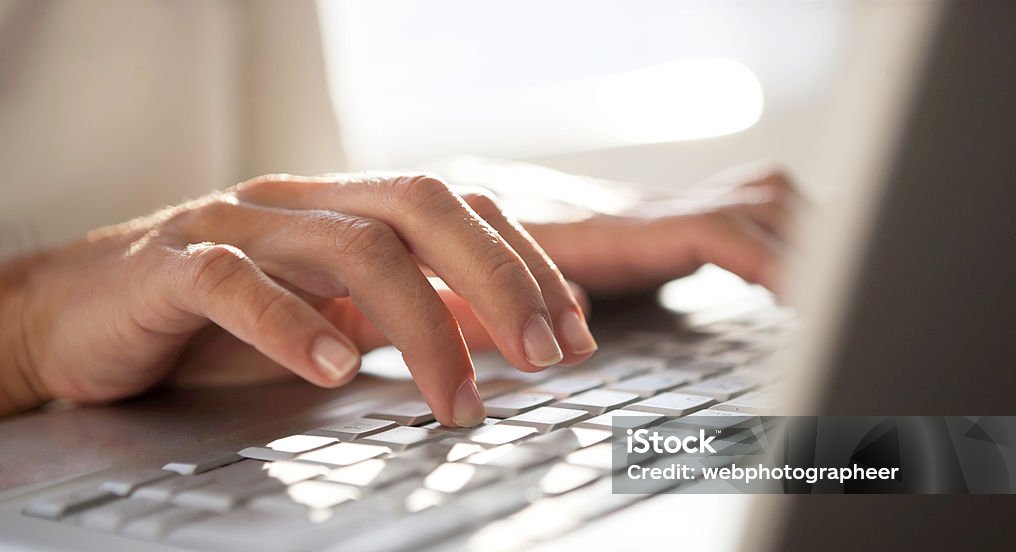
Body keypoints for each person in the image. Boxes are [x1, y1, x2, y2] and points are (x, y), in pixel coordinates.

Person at [0, 1, 794, 426]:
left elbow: (255, 190)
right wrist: (26, 331)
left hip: (227, 404)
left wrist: (441, 223)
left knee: (887, 462)